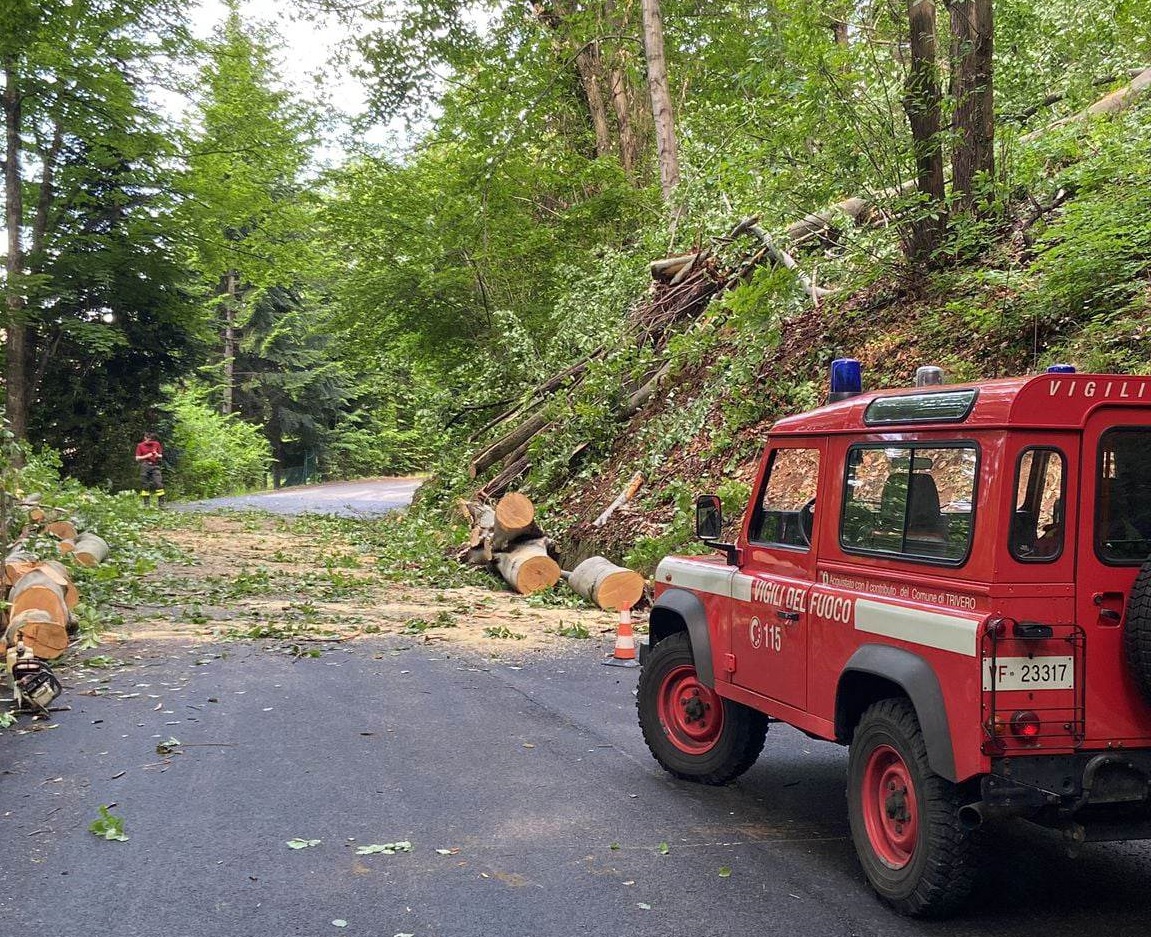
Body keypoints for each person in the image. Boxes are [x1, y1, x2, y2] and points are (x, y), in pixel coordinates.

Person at [135, 431, 165, 507]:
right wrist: (147, 456)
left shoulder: (156, 444)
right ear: (145, 438)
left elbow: (161, 455)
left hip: (155, 465)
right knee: (145, 485)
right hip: (145, 465)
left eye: (151, 439)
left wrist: (157, 455)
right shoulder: (140, 445)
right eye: (148, 438)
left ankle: (161, 504)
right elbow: (137, 458)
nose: (149, 440)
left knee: (158, 484)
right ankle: (146, 504)